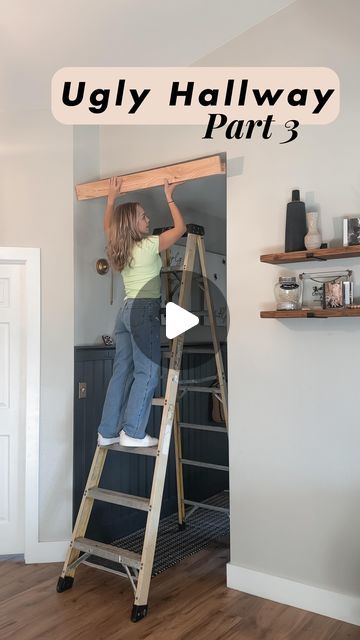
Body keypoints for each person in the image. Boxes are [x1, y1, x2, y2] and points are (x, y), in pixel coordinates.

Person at [97, 176, 186, 448]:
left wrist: (111, 198)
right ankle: (133, 432)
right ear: (131, 224)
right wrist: (169, 196)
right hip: (143, 309)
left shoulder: (119, 246)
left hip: (124, 312)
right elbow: (180, 229)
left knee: (121, 371)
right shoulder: (148, 246)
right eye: (143, 216)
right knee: (147, 372)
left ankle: (107, 431)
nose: (147, 219)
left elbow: (108, 225)